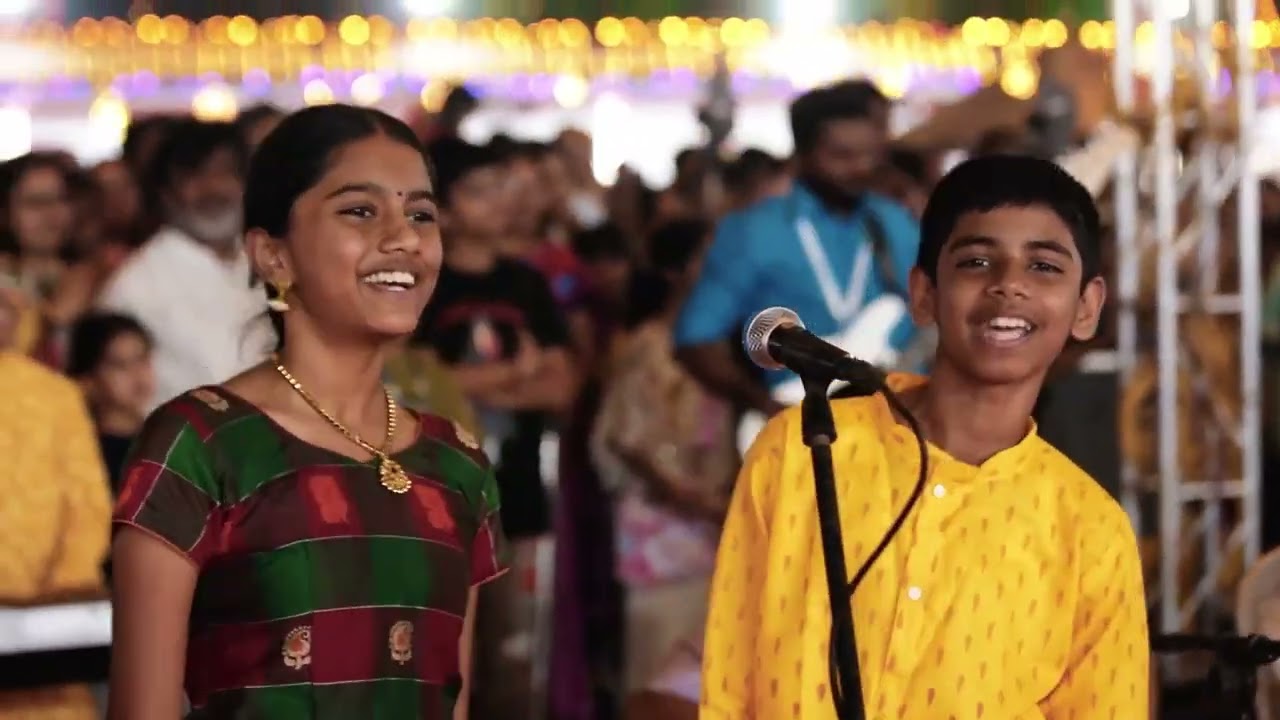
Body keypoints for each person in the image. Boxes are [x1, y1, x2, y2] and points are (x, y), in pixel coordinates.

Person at [700, 155, 1148, 719]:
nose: (1008, 285)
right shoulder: (800, 451)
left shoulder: (1090, 531)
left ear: (1086, 308)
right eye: (977, 261)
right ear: (924, 294)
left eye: (1044, 267)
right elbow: (727, 688)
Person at [107, 104, 508, 720]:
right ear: (273, 256)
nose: (403, 238)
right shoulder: (201, 445)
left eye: (421, 214)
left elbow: (449, 700)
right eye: (360, 210)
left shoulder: (456, 463)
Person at [674, 80, 920, 424]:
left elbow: (928, 309)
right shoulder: (755, 230)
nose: (862, 167)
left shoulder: (892, 221)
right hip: (797, 422)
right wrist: (763, 404)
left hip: (893, 421)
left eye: (871, 154)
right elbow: (695, 339)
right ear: (802, 155)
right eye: (842, 155)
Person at [591, 219, 736, 694]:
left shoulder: (707, 345)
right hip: (666, 537)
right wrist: (702, 503)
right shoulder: (650, 348)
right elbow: (629, 445)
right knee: (662, 679)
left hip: (706, 532)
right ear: (679, 273)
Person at [0, 262, 111, 720]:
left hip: (47, 637)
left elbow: (89, 507)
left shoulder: (57, 396)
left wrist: (59, 600)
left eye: (6, 304)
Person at [97, 119, 271, 409]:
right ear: (166, 192)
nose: (213, 188)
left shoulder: (272, 263)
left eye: (225, 173)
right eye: (195, 176)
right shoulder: (134, 286)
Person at [66, 312, 155, 493]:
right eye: (119, 365)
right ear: (87, 381)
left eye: (142, 359)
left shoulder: (170, 439)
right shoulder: (86, 453)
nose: (137, 373)